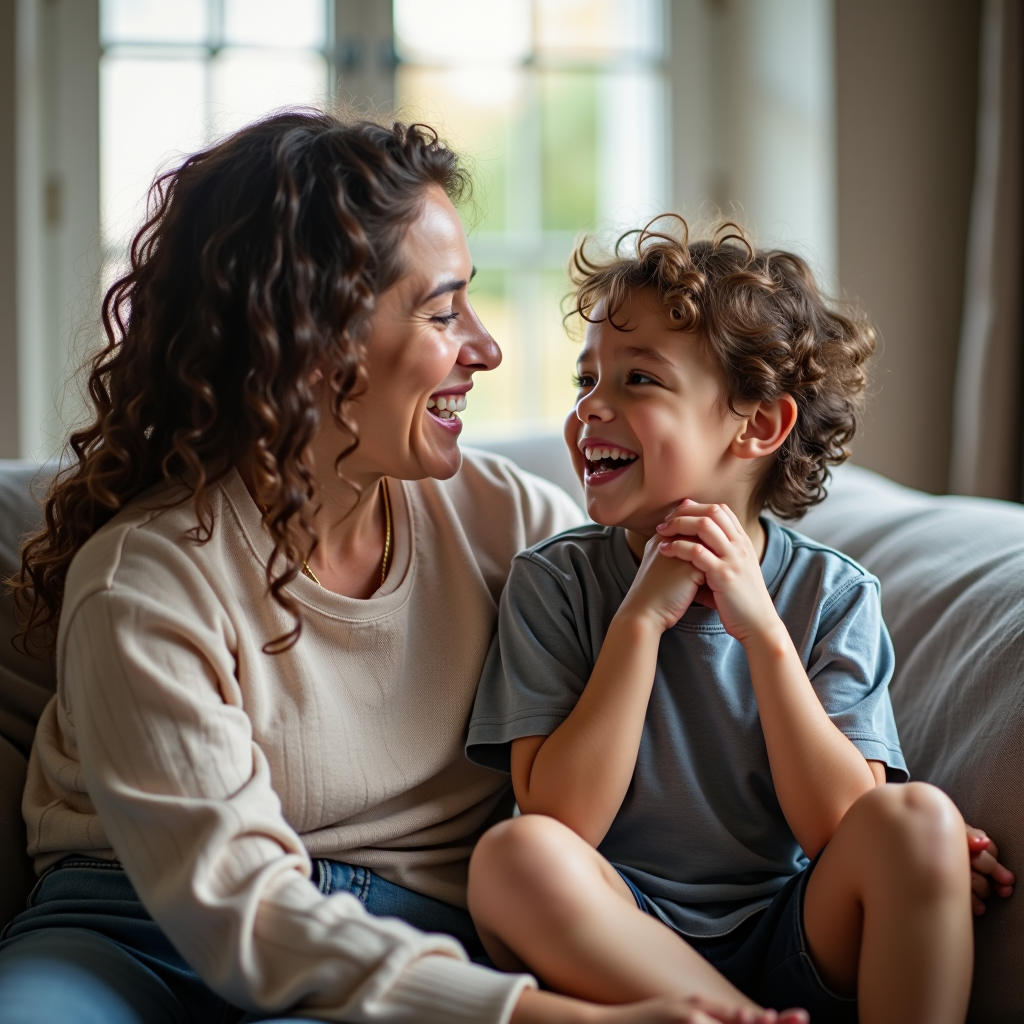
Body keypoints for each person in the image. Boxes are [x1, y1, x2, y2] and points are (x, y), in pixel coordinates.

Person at [0, 113, 747, 1024]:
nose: (486, 346)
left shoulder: (512, 524)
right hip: (132, 936)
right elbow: (237, 910)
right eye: (443, 312)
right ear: (314, 344)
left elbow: (721, 649)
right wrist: (563, 1020)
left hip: (415, 947)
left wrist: (883, 827)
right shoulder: (145, 581)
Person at [465, 220, 1016, 1024]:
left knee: (920, 819)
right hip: (621, 938)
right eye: (587, 380)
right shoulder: (555, 582)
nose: (591, 410)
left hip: (793, 929)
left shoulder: (833, 596)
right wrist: (640, 623)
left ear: (756, 427)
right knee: (513, 855)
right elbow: (562, 818)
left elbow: (839, 825)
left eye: (638, 381)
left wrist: (762, 632)